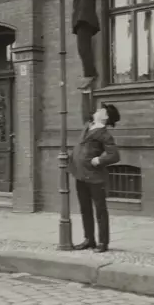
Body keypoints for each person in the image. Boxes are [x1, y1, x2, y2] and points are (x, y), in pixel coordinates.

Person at [68, 103, 120, 253]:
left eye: (100, 110)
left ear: (105, 116)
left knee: (100, 211)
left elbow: (114, 155)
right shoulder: (88, 126)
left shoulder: (105, 135)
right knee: (85, 209)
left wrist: (100, 160)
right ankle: (89, 240)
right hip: (80, 175)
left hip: (95, 178)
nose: (97, 110)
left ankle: (103, 242)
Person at [63, 0, 101, 90]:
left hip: (85, 19)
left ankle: (90, 74)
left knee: (84, 48)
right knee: (82, 48)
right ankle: (89, 73)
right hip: (82, 19)